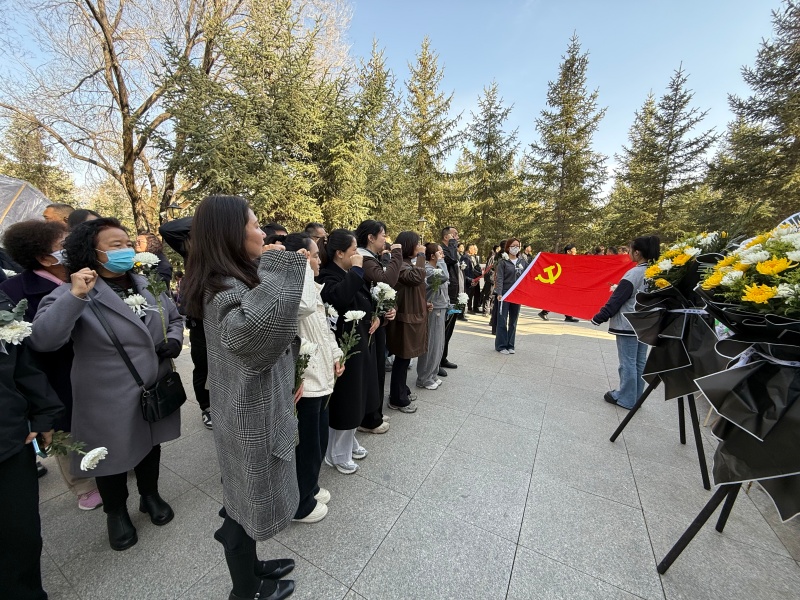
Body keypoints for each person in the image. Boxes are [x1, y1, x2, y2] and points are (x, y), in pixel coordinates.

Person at [30, 217, 184, 552]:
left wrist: (173, 338)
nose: (126, 250)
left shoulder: (147, 282)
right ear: (91, 252)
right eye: (116, 246)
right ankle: (116, 512)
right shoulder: (73, 291)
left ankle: (150, 495)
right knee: (107, 456)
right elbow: (44, 339)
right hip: (105, 393)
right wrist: (75, 296)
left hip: (152, 383)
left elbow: (174, 317)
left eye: (128, 243)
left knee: (151, 445)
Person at [180, 196, 301, 600]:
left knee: (243, 498)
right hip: (248, 415)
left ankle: (252, 567)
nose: (262, 233)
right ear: (231, 233)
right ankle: (245, 590)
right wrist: (280, 267)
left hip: (248, 407)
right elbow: (254, 336)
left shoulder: (230, 278)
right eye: (254, 224)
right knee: (242, 506)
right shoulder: (222, 286)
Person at [0, 219, 102, 510]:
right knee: (64, 429)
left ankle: (110, 461)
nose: (72, 249)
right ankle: (82, 485)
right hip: (53, 371)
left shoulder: (85, 273)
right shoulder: (15, 290)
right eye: (64, 245)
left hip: (93, 363)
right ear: (45, 258)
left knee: (98, 418)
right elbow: (30, 340)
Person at [0, 290, 63, 600]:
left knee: (21, 536)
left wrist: (44, 413)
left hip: (8, 442)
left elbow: (22, 363)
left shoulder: (2, 304)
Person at [284, 232, 342, 525]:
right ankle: (300, 503)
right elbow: (304, 308)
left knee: (318, 440)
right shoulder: (294, 289)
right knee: (306, 445)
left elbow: (324, 329)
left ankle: (310, 487)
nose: (320, 261)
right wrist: (301, 267)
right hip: (306, 380)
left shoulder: (313, 289)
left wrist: (336, 354)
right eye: (315, 256)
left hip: (321, 375)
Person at [317, 229, 378, 474]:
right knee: (346, 400)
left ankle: (348, 441)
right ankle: (337, 454)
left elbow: (363, 300)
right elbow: (340, 299)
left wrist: (377, 315)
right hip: (343, 347)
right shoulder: (328, 276)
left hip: (359, 342)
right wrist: (357, 270)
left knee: (358, 396)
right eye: (353, 250)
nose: (357, 255)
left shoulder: (347, 273)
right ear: (339, 253)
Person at [591, 236, 660, 410]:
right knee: (639, 362)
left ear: (637, 253)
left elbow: (618, 298)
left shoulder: (634, 273)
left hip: (629, 324)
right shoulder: (655, 273)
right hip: (646, 324)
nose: (628, 253)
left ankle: (626, 398)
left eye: (629, 250)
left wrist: (600, 316)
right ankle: (636, 396)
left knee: (627, 362)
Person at [159, 217, 213, 430]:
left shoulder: (230, 250)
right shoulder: (195, 251)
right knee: (203, 366)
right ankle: (207, 407)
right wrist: (210, 216)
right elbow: (168, 229)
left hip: (226, 319)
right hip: (201, 321)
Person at [354, 219, 402, 434]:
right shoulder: (363, 258)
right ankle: (369, 418)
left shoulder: (371, 258)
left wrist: (390, 309)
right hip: (367, 324)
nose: (386, 239)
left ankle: (376, 412)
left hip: (377, 321)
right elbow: (387, 280)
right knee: (372, 372)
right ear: (371, 237)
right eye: (383, 235)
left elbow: (383, 290)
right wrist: (397, 254)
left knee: (378, 370)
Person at [386, 231, 428, 412]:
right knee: (402, 360)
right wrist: (422, 256)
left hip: (412, 317)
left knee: (405, 359)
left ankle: (402, 390)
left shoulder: (407, 264)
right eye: (416, 244)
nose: (419, 246)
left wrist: (424, 303)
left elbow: (415, 289)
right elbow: (416, 278)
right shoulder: (400, 265)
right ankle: (397, 399)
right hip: (404, 320)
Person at [416, 243, 449, 390]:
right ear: (432, 256)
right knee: (431, 344)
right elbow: (444, 276)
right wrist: (441, 261)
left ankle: (432, 374)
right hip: (433, 309)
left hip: (441, 308)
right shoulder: (429, 270)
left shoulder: (437, 268)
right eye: (439, 253)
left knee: (439, 344)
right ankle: (424, 378)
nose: (442, 255)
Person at [494, 238, 528, 354]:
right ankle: (501, 346)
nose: (516, 248)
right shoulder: (503, 262)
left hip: (517, 295)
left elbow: (527, 276)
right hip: (505, 293)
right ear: (508, 247)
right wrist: (499, 293)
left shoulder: (522, 262)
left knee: (513, 321)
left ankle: (510, 345)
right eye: (513, 245)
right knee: (502, 320)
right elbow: (499, 278)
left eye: (518, 245)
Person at [538, 244, 579, 322]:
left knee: (566, 299)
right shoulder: (562, 259)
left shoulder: (572, 259)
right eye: (574, 250)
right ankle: (544, 312)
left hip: (567, 283)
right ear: (568, 251)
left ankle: (568, 316)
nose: (575, 251)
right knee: (558, 299)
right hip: (562, 283)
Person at [439, 226, 460, 371]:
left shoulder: (451, 249)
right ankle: (437, 360)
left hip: (455, 295)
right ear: (447, 237)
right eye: (455, 235)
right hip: (446, 297)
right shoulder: (442, 250)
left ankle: (443, 357)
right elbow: (452, 259)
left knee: (450, 328)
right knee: (443, 329)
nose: (457, 237)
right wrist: (453, 243)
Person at [460, 244, 482, 314]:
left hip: (471, 280)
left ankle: (463, 312)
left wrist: (479, 274)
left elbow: (472, 269)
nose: (474, 250)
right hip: (467, 281)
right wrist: (470, 279)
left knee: (469, 296)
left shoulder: (469, 257)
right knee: (464, 297)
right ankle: (461, 313)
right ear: (469, 249)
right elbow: (465, 271)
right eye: (473, 249)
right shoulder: (465, 258)